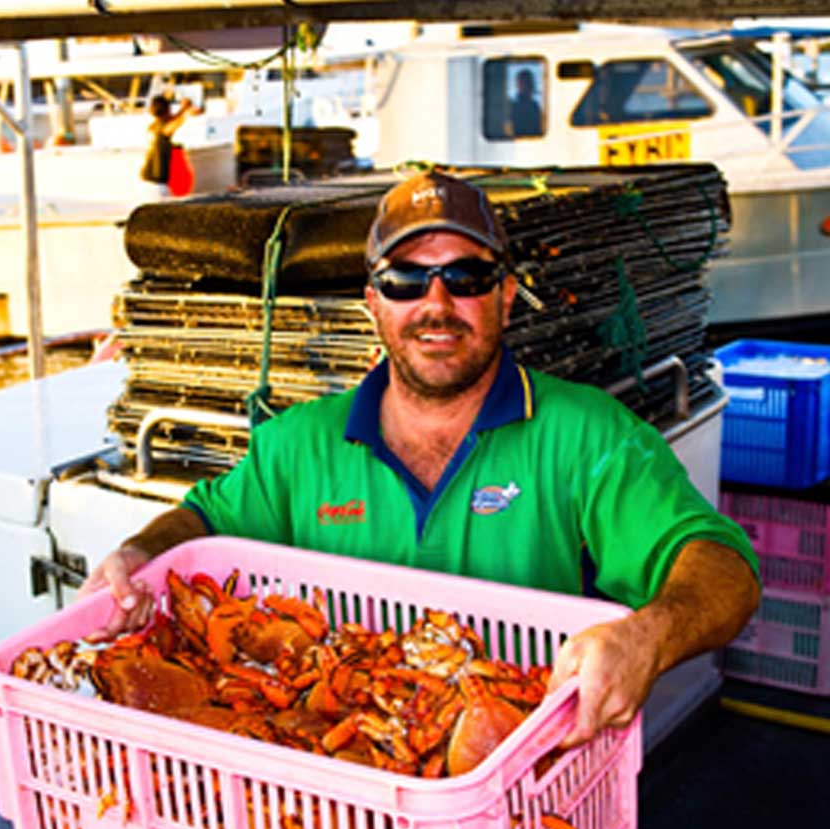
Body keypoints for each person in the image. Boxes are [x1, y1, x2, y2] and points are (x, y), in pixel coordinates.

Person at [80, 170, 760, 749]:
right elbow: (203, 523)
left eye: (467, 276)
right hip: (342, 765)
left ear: (505, 297)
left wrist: (647, 637)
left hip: (516, 764)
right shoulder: (298, 443)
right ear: (373, 304)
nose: (437, 303)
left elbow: (722, 566)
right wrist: (140, 553)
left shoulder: (588, 435)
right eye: (406, 280)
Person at [140, 93, 195, 195]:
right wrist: (186, 110)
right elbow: (174, 123)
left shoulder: (153, 126)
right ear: (168, 110)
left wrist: (183, 109)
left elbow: (172, 120)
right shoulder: (163, 130)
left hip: (146, 181)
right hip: (157, 184)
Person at [510, 68, 543, 137]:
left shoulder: (535, 106)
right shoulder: (513, 107)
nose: (522, 86)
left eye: (526, 83)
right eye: (521, 83)